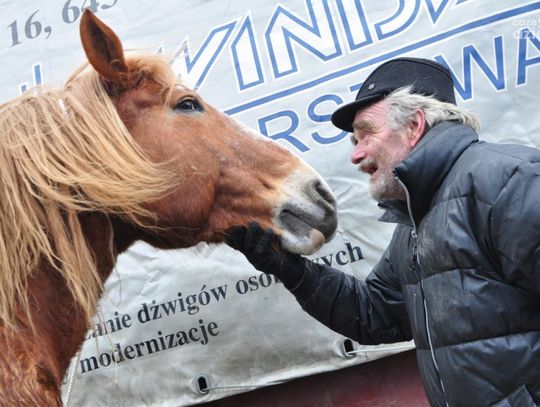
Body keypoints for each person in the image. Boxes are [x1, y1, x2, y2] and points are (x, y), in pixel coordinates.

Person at [226, 57, 540, 407]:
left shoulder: (510, 182)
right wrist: (289, 269)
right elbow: (376, 313)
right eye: (354, 141)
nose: (356, 155)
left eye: (366, 134)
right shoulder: (416, 219)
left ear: (414, 126)